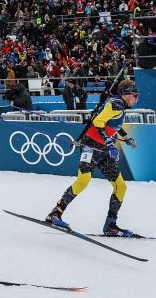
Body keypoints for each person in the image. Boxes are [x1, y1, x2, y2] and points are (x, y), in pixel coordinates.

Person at [45, 81, 141, 236]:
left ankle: (110, 225)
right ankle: (55, 213)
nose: (137, 99)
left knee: (121, 186)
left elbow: (111, 123)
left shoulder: (119, 104)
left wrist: (125, 136)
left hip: (103, 150)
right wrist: (110, 143)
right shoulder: (116, 105)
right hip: (90, 145)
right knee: (83, 181)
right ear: (127, 94)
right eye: (135, 96)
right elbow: (98, 122)